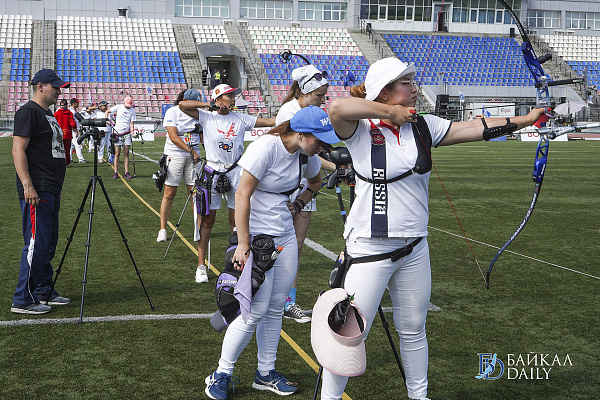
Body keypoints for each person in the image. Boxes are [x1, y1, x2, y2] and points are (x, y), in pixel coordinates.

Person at [323, 57, 545, 400]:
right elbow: (337, 107)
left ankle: (419, 396)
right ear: (384, 91)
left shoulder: (423, 126)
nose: (414, 88)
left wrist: (525, 120)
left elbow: (472, 128)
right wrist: (390, 113)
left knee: (413, 329)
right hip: (370, 247)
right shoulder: (360, 129)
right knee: (349, 334)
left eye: (413, 81)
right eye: (406, 83)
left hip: (414, 247)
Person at [204, 106, 340, 400]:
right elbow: (242, 194)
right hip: (256, 240)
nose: (322, 146)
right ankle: (221, 373)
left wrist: (299, 203)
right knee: (253, 311)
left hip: (285, 237)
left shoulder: (306, 155)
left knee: (276, 307)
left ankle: (265, 374)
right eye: (318, 139)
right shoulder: (266, 147)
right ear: (300, 134)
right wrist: (243, 243)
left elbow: (315, 183)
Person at [179, 84, 275, 283]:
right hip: (212, 171)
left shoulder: (241, 118)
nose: (233, 98)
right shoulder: (207, 116)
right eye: (228, 95)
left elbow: (269, 122)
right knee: (207, 221)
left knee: (237, 222)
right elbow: (182, 105)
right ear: (218, 99)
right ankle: (201, 265)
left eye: (232, 95)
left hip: (236, 171)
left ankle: (236, 264)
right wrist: (209, 105)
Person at [277, 64, 336, 323]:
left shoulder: (312, 111)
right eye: (319, 95)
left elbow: (316, 151)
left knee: (296, 246)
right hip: (284, 186)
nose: (323, 100)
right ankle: (272, 295)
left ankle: (288, 301)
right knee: (276, 245)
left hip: (305, 184)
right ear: (305, 91)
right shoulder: (289, 112)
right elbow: (305, 150)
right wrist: (336, 166)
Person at [11, 68, 72, 315]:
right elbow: (18, 149)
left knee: (48, 242)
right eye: (55, 87)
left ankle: (44, 289)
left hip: (51, 188)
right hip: (38, 187)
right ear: (40, 87)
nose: (59, 92)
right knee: (37, 242)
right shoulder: (29, 111)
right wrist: (28, 184)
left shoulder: (47, 114)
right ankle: (22, 299)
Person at [156, 89, 210, 283]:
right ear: (185, 100)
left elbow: (203, 134)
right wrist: (192, 152)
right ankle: (163, 229)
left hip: (194, 156)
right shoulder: (172, 111)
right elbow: (173, 136)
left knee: (195, 194)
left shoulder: (199, 114)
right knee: (169, 193)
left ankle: (198, 228)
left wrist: (203, 150)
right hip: (175, 155)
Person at [106, 96, 136, 179]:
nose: (128, 107)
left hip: (127, 133)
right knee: (117, 153)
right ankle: (116, 172)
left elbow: (132, 124)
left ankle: (127, 172)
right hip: (117, 132)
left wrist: (133, 132)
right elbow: (107, 111)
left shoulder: (132, 111)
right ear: (124, 102)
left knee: (126, 153)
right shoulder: (118, 107)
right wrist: (107, 120)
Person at [53, 98, 77, 166]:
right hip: (67, 134)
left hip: (58, 135)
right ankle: (67, 162)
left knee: (58, 150)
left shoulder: (56, 113)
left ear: (60, 105)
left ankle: (59, 162)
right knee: (67, 150)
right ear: (67, 105)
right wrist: (75, 130)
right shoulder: (69, 113)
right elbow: (72, 123)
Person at [69, 97, 88, 164]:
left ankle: (70, 159)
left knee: (71, 146)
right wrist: (75, 131)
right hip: (73, 130)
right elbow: (72, 122)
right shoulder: (72, 111)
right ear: (74, 103)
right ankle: (81, 159)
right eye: (77, 103)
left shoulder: (70, 110)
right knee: (78, 144)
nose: (78, 104)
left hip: (71, 130)